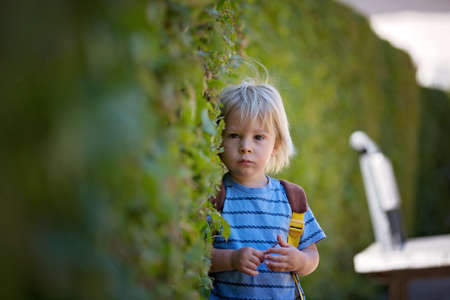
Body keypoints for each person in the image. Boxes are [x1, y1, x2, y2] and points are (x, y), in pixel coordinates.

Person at [209, 80, 326, 300]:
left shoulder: (292, 199)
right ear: (219, 140)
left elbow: (312, 255)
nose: (246, 146)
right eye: (234, 135)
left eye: (258, 137)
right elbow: (196, 257)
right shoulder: (215, 196)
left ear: (276, 145)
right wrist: (231, 259)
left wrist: (299, 261)